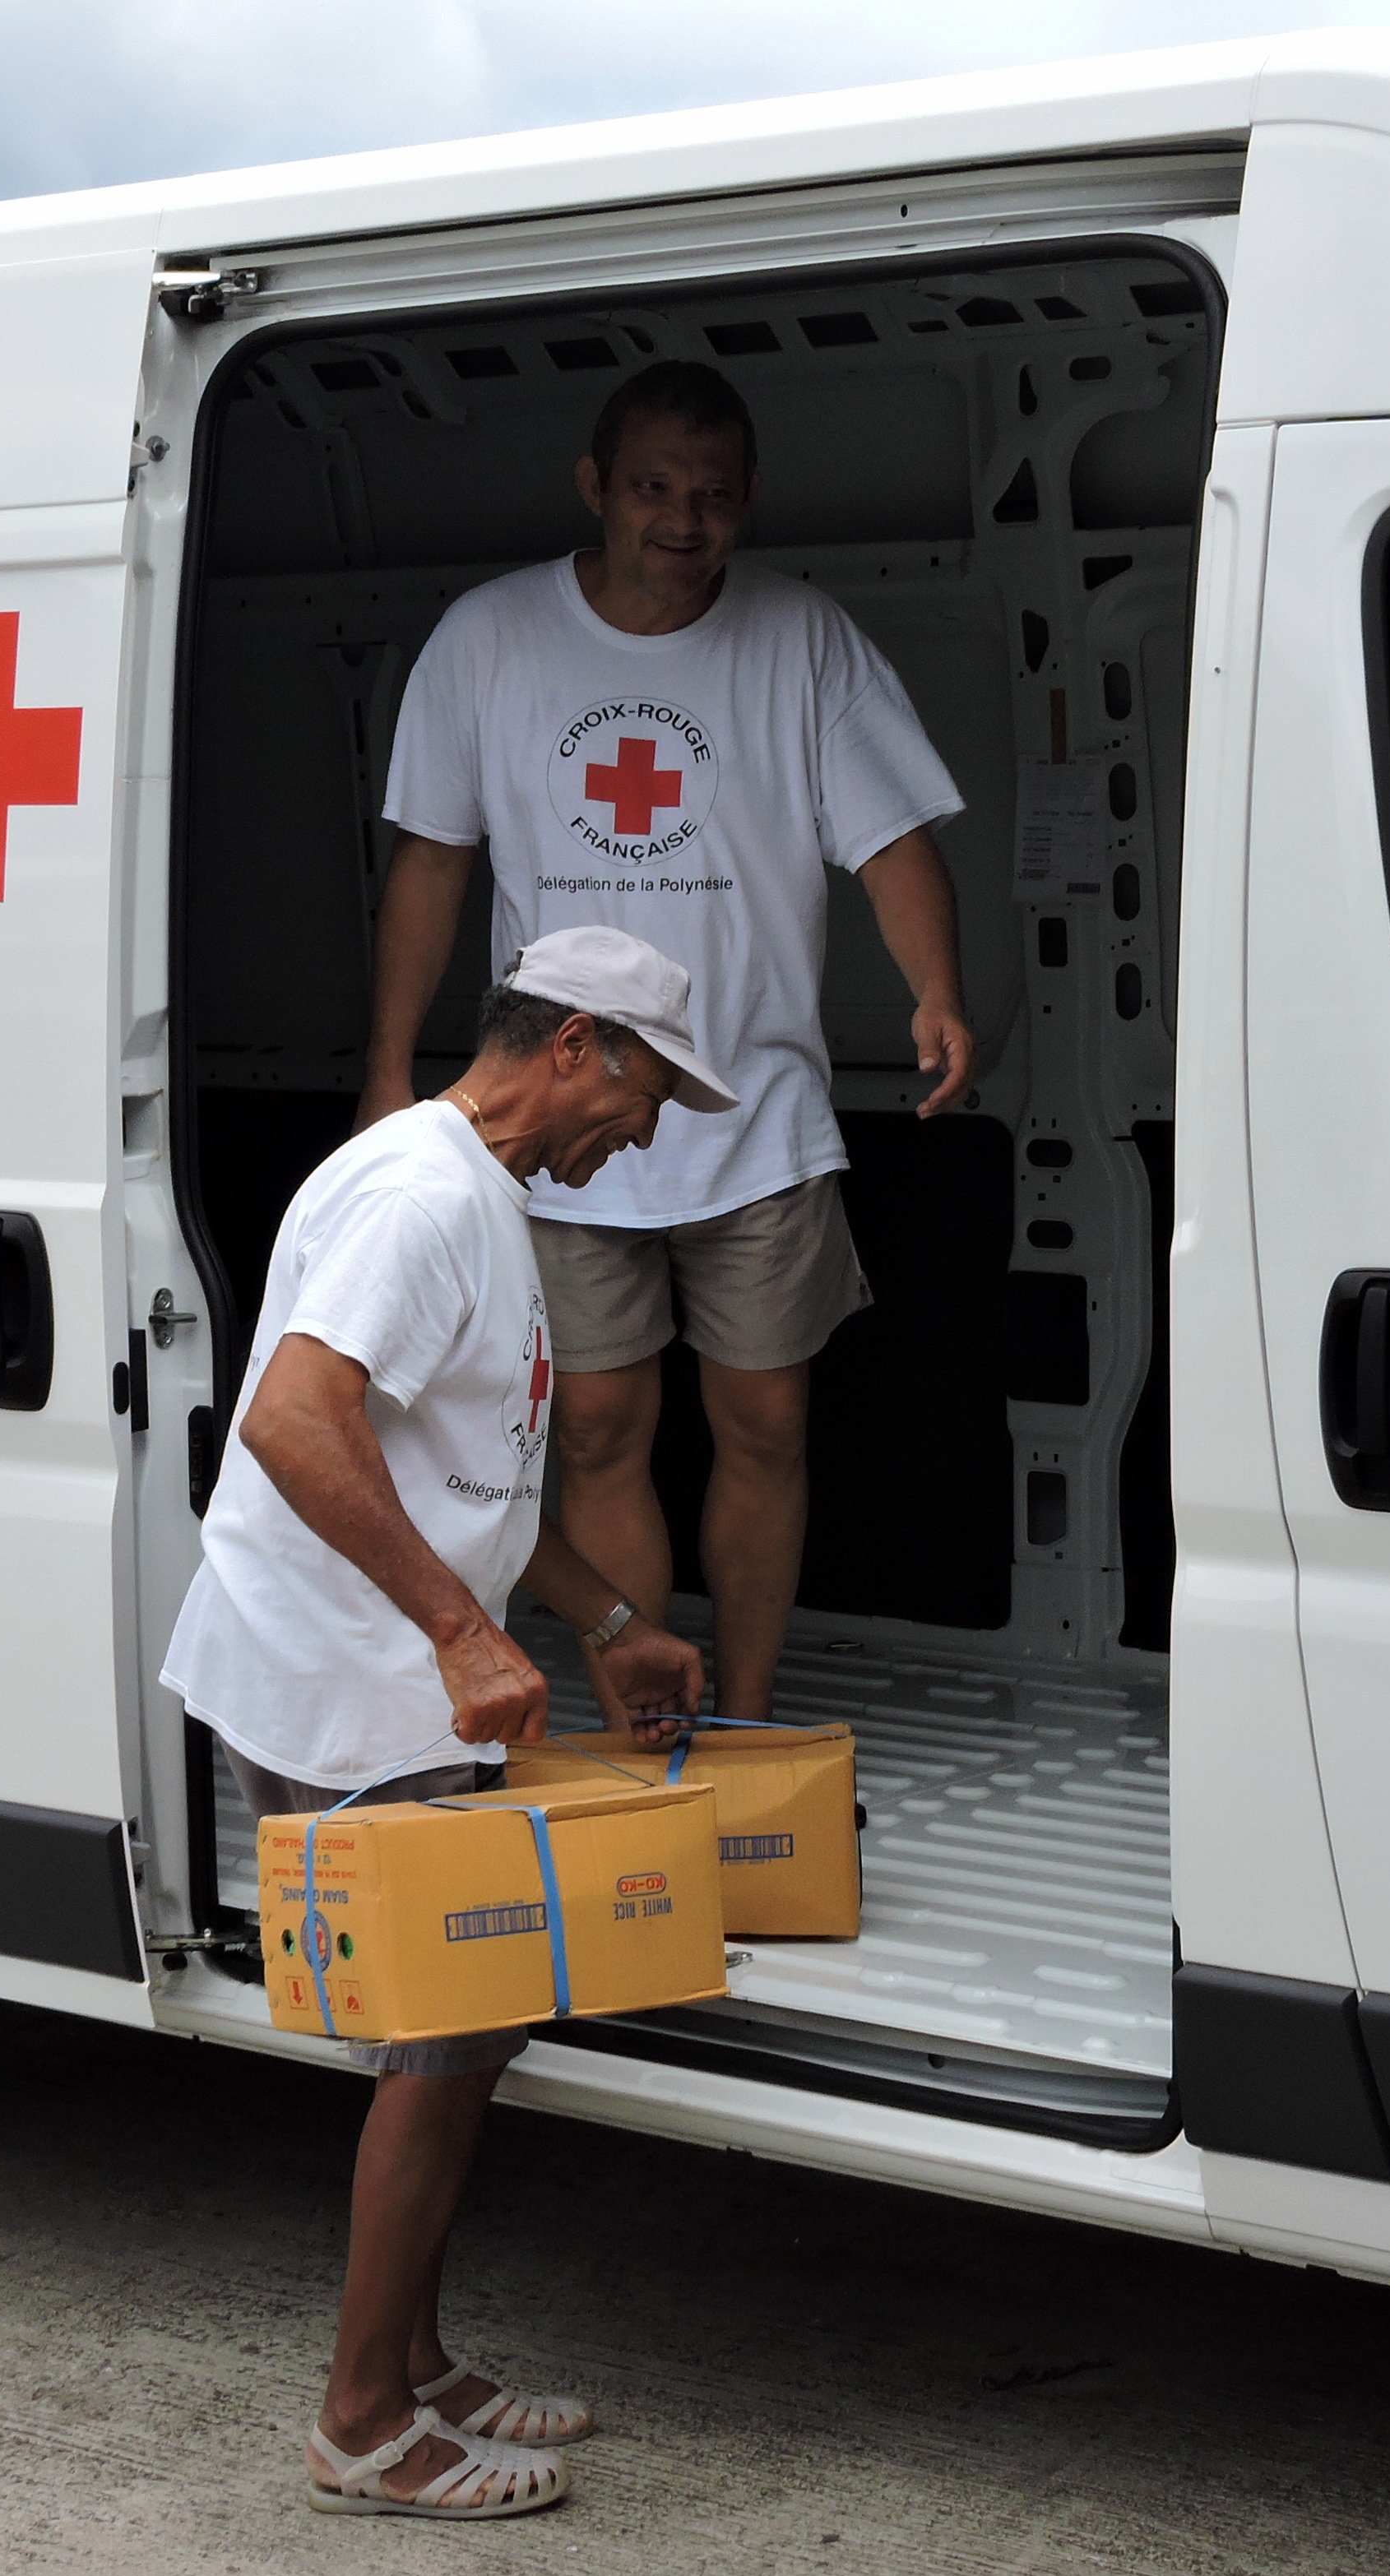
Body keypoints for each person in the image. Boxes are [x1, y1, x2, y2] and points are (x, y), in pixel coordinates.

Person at [163, 927, 726, 2519]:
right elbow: (290, 1419)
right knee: (445, 2037)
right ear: (574, 1051)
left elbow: (461, 1474)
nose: (651, 1134)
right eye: (649, 1095)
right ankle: (362, 2423)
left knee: (466, 2031)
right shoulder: (424, 1200)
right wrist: (465, 1634)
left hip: (389, 1662)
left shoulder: (468, 1192)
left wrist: (605, 1624)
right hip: (347, 1677)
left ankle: (412, 2364)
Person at [361, 359, 972, 1725]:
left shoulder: (801, 640)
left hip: (754, 1117)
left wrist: (935, 987)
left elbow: (893, 842)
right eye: (652, 489)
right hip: (569, 1129)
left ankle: (742, 1726)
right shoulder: (491, 639)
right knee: (593, 1431)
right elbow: (431, 863)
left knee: (767, 1427)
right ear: (596, 488)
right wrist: (387, 1067)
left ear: (748, 502)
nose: (682, 521)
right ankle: (648, 1726)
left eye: (711, 496)